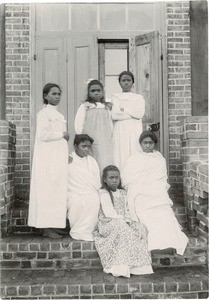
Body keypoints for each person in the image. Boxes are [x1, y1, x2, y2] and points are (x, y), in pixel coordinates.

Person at [122, 131, 188, 255]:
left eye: (150, 143)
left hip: (155, 188)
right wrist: (140, 185)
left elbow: (162, 177)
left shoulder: (159, 159)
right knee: (142, 205)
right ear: (141, 144)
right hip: (140, 189)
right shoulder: (134, 158)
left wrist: (153, 186)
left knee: (162, 210)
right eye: (145, 143)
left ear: (154, 144)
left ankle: (168, 236)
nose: (147, 145)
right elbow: (127, 177)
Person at [93, 165, 153, 278]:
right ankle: (120, 266)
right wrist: (124, 221)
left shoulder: (123, 193)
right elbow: (109, 212)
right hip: (109, 222)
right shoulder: (104, 193)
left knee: (140, 228)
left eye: (117, 177)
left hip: (123, 221)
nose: (114, 180)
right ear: (105, 179)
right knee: (122, 228)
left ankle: (138, 266)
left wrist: (130, 220)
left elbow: (127, 209)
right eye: (111, 178)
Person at [28, 83, 69, 238]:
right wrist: (62, 134)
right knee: (47, 189)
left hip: (56, 158)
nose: (57, 96)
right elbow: (43, 135)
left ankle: (54, 224)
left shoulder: (58, 114)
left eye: (59, 94)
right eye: (53, 94)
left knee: (56, 189)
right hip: (47, 159)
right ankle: (45, 227)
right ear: (45, 96)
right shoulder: (43, 114)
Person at [67, 134, 101, 241]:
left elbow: (96, 180)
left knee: (94, 199)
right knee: (79, 201)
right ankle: (79, 230)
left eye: (89, 147)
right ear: (75, 146)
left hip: (90, 190)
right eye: (83, 146)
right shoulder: (69, 159)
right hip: (73, 191)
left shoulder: (92, 161)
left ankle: (90, 229)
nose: (87, 149)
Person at [74, 79, 113, 172]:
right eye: (93, 91)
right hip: (90, 139)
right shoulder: (85, 106)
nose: (96, 93)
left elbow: (111, 124)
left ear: (102, 92)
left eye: (98, 91)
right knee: (91, 162)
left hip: (104, 140)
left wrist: (110, 137)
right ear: (88, 93)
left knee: (104, 161)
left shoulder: (106, 107)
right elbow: (78, 125)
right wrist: (82, 139)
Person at [111, 71, 145, 171]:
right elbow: (114, 115)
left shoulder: (138, 98)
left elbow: (139, 114)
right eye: (123, 80)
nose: (126, 83)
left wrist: (124, 109)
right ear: (119, 82)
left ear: (132, 82)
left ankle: (133, 179)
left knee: (134, 150)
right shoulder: (115, 97)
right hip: (120, 129)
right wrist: (132, 114)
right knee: (121, 152)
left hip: (134, 128)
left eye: (128, 80)